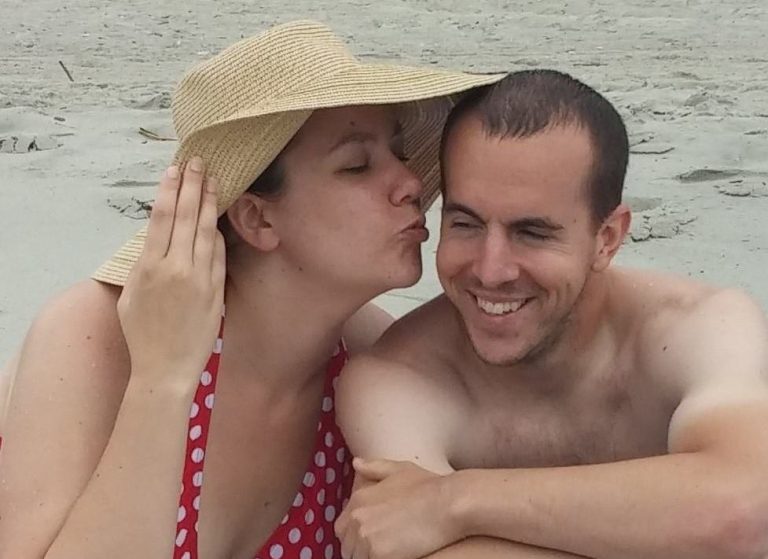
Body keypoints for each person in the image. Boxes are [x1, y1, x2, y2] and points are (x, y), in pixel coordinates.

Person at [0, 21, 500, 559]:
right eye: (357, 165)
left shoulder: (372, 358)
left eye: (400, 153)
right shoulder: (100, 335)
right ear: (257, 219)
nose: (411, 184)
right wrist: (161, 383)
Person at [335, 70, 768, 559]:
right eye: (466, 224)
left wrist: (454, 499)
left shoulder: (699, 327)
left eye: (532, 233)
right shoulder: (398, 379)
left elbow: (746, 508)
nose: (491, 270)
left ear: (607, 238)